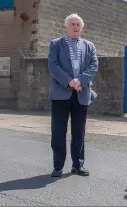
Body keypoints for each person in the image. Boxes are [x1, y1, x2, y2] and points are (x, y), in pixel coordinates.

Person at [48, 13, 98, 177]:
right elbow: (53, 66)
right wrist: (70, 81)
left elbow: (93, 65)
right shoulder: (56, 44)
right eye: (72, 24)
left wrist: (80, 81)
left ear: (82, 27)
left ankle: (77, 164)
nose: (75, 27)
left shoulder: (89, 46)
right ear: (66, 27)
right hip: (61, 93)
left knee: (79, 131)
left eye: (78, 24)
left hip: (82, 94)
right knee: (58, 131)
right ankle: (58, 166)